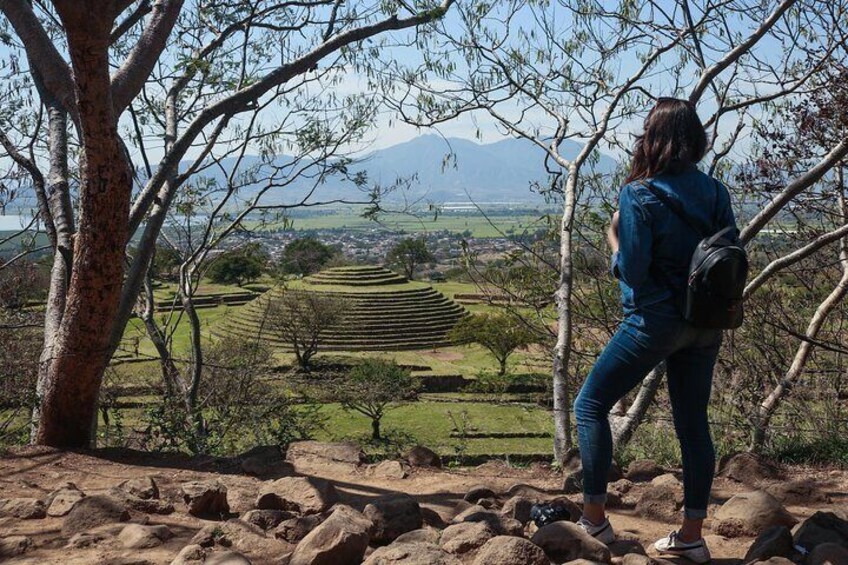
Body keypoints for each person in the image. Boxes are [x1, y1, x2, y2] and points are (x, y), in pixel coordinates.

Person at [534, 98, 738, 564]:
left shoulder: (639, 193)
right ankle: (691, 536)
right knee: (692, 424)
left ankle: (595, 521)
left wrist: (613, 238)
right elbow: (729, 254)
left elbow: (635, 271)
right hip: (706, 323)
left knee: (589, 405)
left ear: (652, 138)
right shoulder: (715, 192)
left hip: (653, 321)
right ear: (696, 138)